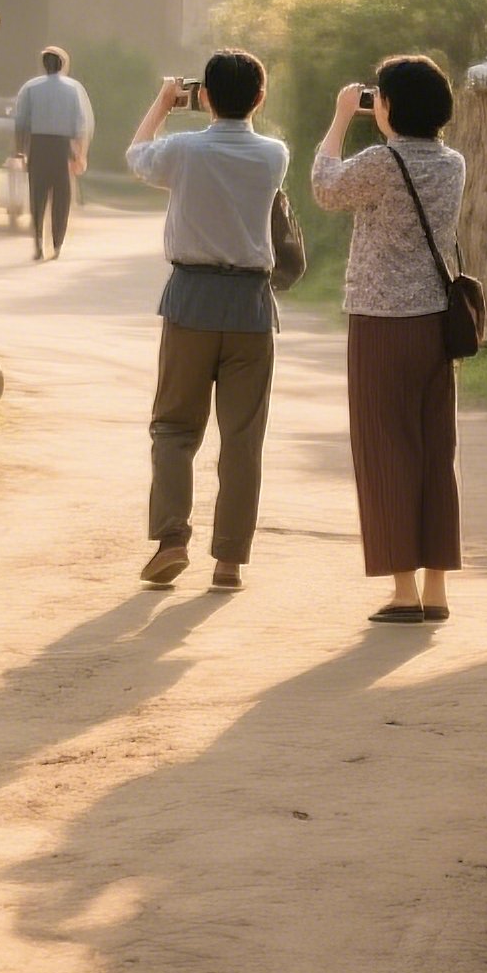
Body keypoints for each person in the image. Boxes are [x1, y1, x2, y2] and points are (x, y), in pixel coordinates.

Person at [311, 54, 468, 628]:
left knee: (385, 452)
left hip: (381, 322)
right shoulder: (453, 163)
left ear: (390, 106)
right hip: (436, 323)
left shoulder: (383, 161)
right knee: (435, 451)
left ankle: (404, 592)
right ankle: (437, 587)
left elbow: (325, 188)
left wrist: (339, 118)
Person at [127, 50, 291, 591]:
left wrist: (162, 103)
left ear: (204, 97)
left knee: (174, 427)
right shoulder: (275, 155)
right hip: (250, 306)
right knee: (242, 438)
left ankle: (172, 539)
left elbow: (137, 155)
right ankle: (229, 562)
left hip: (191, 300)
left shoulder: (183, 151)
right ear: (260, 98)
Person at [10, 46, 96, 261]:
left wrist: (20, 152)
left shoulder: (30, 88)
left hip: (38, 146)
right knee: (61, 198)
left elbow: (21, 123)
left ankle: (38, 243)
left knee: (37, 196)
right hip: (62, 147)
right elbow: (80, 125)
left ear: (43, 65)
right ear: (63, 65)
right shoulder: (73, 89)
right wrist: (80, 155)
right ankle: (57, 244)